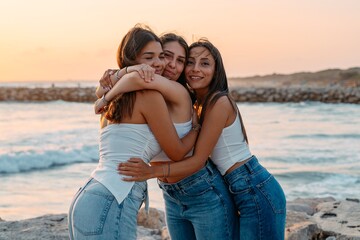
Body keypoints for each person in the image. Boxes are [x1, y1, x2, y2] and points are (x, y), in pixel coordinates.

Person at [119, 38, 287, 240]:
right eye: (190, 62)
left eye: (205, 64)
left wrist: (152, 171)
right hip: (233, 187)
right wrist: (119, 74)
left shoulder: (219, 102)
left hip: (253, 187)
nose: (195, 69)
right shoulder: (196, 102)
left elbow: (198, 159)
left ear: (216, 71)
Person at [94, 34, 238, 240]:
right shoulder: (150, 91)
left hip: (202, 190)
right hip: (171, 193)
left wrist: (110, 91)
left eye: (181, 61)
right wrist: (123, 73)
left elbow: (112, 89)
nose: (172, 65)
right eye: (166, 56)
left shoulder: (177, 91)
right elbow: (103, 88)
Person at [68, 25, 200, 240]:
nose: (160, 63)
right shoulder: (149, 97)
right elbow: (177, 152)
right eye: (150, 57)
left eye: (160, 56)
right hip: (114, 196)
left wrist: (120, 77)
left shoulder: (117, 98)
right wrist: (196, 128)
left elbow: (113, 86)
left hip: (90, 193)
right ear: (133, 60)